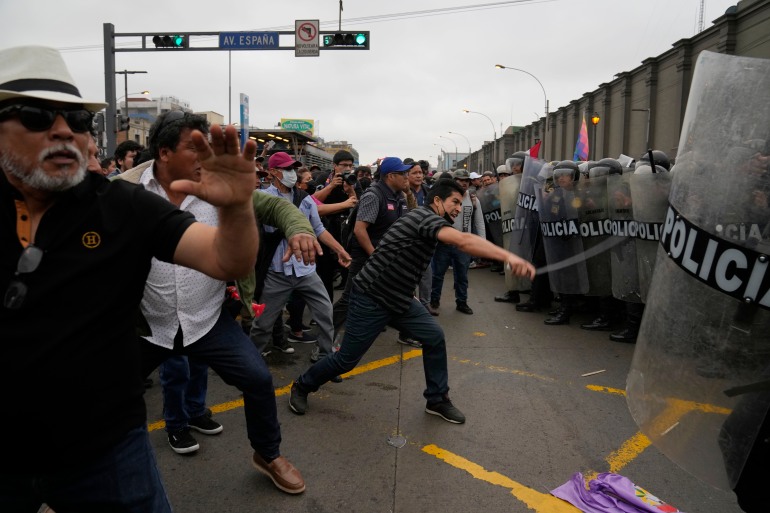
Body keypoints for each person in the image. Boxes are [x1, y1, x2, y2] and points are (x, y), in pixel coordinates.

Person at [0, 45, 274, 512]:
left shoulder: (122, 205)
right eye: (37, 115)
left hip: (105, 449)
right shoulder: (133, 184)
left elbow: (227, 261)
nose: (65, 130)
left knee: (254, 377)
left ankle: (265, 451)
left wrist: (235, 206)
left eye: (78, 120)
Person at [114, 112, 316, 493]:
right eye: (196, 147)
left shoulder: (221, 185)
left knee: (257, 379)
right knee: (105, 394)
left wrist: (300, 230)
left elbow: (277, 208)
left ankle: (268, 454)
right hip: (147, 326)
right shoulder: (124, 191)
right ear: (164, 152)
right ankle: (90, 475)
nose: (207, 156)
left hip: (206, 320)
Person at [288, 178, 536, 423]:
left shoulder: (425, 218)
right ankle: (302, 386)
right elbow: (463, 240)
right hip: (372, 297)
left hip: (400, 298)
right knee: (346, 361)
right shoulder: (425, 219)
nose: (458, 209)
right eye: (454, 202)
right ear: (437, 201)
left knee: (434, 337)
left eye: (461, 204)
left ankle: (437, 399)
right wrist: (510, 258)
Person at [246, 152, 351, 369]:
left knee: (325, 314)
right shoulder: (264, 198)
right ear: (274, 172)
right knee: (262, 325)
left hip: (305, 270)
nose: (292, 174)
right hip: (277, 272)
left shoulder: (304, 199)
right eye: (287, 169)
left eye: (294, 169)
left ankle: (325, 357)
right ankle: (249, 363)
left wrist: (340, 249)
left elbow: (318, 228)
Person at [330, 157, 410, 345]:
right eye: (403, 173)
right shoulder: (374, 195)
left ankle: (407, 333)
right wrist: (375, 256)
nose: (406, 176)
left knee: (397, 295)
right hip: (367, 257)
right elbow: (360, 229)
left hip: (388, 258)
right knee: (350, 298)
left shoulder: (399, 196)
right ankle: (325, 341)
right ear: (391, 176)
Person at [430, 169, 486, 314]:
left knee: (462, 276)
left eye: (466, 180)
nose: (464, 183)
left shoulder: (473, 199)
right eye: (460, 180)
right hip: (443, 244)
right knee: (437, 275)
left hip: (463, 245)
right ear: (454, 182)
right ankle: (434, 300)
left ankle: (462, 302)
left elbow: (479, 222)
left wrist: (482, 243)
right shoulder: (444, 198)